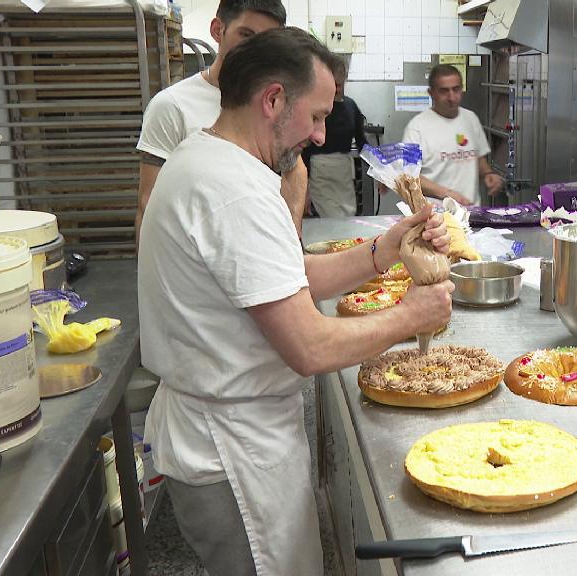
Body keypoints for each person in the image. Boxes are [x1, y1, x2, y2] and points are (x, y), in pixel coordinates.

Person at [138, 28, 454, 576]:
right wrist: (410, 316)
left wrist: (387, 249)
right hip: (233, 451)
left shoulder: (211, 162)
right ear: (273, 100)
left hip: (230, 429)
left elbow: (286, 277)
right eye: (315, 116)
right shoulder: (231, 190)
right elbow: (308, 345)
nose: (320, 133)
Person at [134, 0, 308, 245]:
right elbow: (148, 202)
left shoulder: (272, 104)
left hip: (261, 253)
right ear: (217, 30)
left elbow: (295, 169)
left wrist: (291, 236)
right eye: (246, 35)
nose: (256, 51)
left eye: (266, 41)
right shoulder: (172, 106)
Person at [403, 64, 505, 206]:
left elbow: (478, 157)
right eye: (444, 91)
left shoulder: (471, 119)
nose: (451, 97)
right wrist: (447, 194)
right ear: (431, 93)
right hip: (434, 217)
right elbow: (409, 178)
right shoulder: (416, 128)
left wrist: (488, 174)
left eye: (456, 89)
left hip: (471, 213)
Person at [301, 58, 369, 217]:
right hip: (319, 170)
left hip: (343, 171)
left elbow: (362, 143)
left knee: (347, 215)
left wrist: (380, 170)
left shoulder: (350, 106)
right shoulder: (316, 107)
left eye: (340, 84)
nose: (337, 88)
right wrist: (304, 188)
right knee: (329, 217)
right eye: (334, 84)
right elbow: (305, 148)